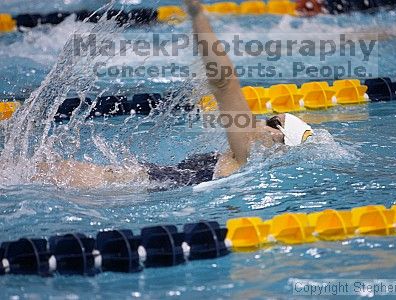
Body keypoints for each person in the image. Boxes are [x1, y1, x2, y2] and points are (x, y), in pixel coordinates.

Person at [34, 0, 314, 189]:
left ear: (278, 139)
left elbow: (224, 81)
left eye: (271, 121)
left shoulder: (246, 153)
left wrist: (197, 14)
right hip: (134, 181)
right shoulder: (244, 163)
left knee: (41, 171)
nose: (260, 121)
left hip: (123, 183)